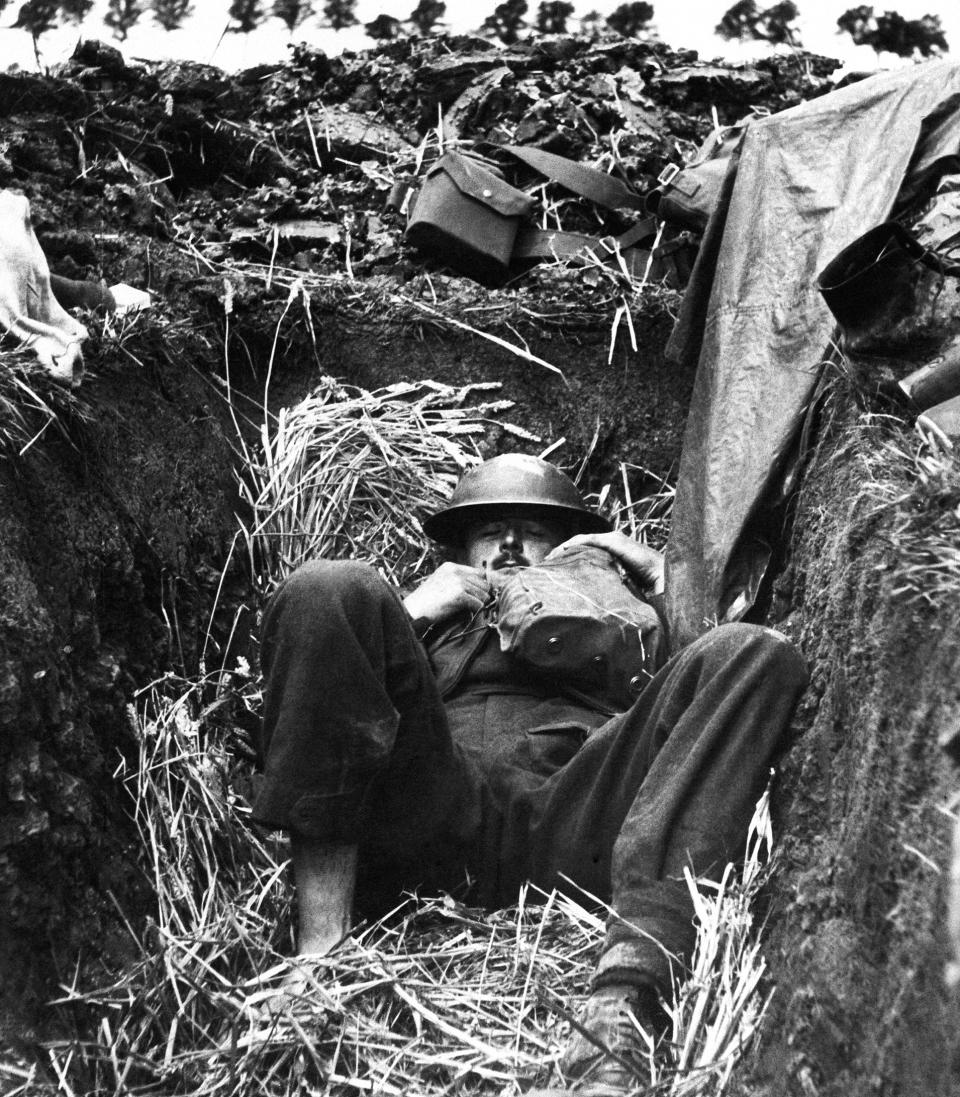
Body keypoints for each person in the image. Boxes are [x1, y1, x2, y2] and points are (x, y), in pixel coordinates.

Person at [253, 453, 807, 1095]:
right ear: (462, 548)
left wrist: (659, 577)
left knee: (755, 653)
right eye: (492, 529)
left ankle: (625, 1001)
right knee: (328, 585)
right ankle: (320, 958)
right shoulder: (422, 624)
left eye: (534, 529)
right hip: (435, 806)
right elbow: (312, 701)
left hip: (576, 813)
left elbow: (697, 676)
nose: (512, 543)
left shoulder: (622, 613)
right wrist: (415, 612)